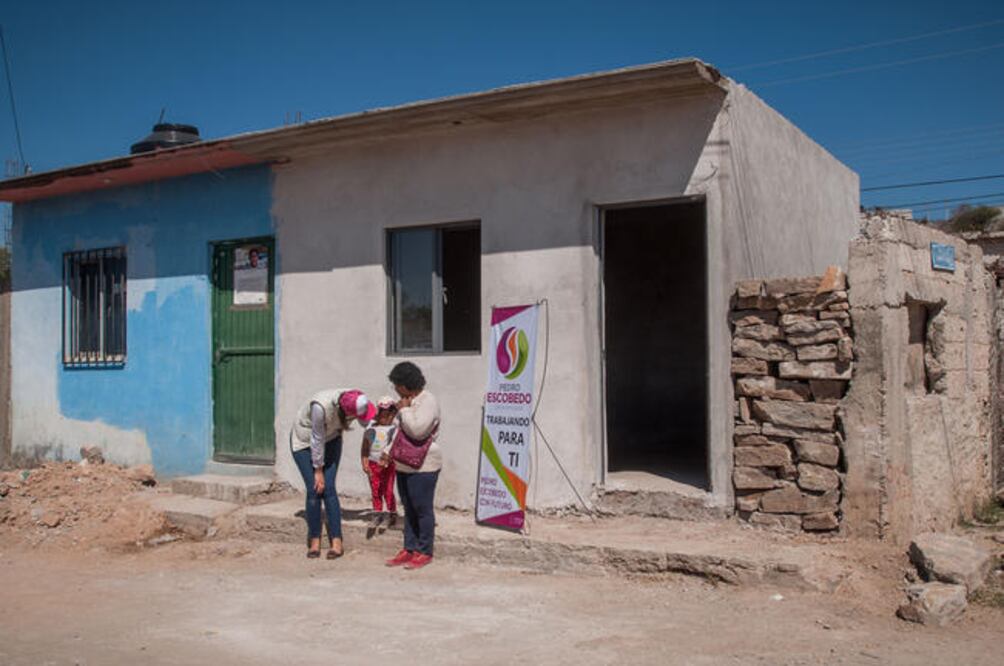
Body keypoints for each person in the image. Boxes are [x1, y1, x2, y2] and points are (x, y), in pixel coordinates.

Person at [290, 388, 376, 559]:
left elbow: (368, 423)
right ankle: (314, 539)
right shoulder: (320, 408)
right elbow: (317, 439)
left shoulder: (357, 398)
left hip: (331, 440)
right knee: (314, 489)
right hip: (305, 442)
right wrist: (318, 470)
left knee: (329, 488)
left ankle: (336, 541)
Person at [383, 362, 441, 571]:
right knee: (408, 507)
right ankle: (409, 548)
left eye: (397, 385)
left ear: (406, 384)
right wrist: (388, 452)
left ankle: (424, 551)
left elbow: (418, 430)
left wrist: (405, 411)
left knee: (422, 509)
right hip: (404, 464)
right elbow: (399, 432)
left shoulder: (428, 401)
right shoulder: (407, 402)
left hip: (424, 465)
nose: (396, 390)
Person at [360, 396, 398, 530]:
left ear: (393, 414)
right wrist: (364, 461)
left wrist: (388, 459)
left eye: (388, 414)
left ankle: (391, 513)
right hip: (373, 464)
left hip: (388, 465)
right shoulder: (371, 428)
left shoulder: (394, 429)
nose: (384, 418)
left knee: (388, 490)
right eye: (381, 414)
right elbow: (365, 446)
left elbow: (394, 446)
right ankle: (377, 514)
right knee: (375, 490)